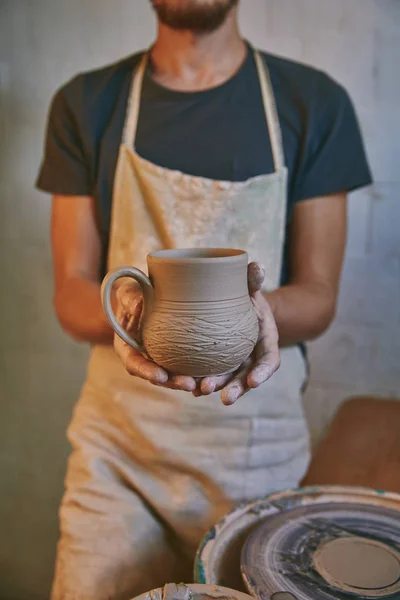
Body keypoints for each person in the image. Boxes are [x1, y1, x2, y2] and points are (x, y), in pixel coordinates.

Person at [36, 1, 372, 598]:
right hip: (119, 455)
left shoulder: (315, 102)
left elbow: (319, 297)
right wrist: (134, 322)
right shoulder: (86, 103)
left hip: (254, 454)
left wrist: (252, 314)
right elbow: (72, 292)